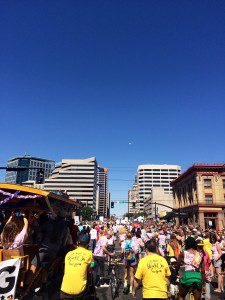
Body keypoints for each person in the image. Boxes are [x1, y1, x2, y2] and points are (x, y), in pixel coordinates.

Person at [60, 234, 94, 299]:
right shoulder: (89, 253)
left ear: (77, 242)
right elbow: (91, 266)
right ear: (87, 244)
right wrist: (91, 265)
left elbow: (65, 268)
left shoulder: (69, 253)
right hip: (79, 292)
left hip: (64, 291)